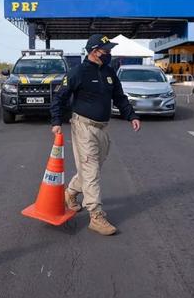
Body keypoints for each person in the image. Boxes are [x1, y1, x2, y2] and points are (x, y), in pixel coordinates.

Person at [50, 34, 141, 236]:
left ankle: (71, 193)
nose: (109, 53)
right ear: (94, 51)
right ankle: (96, 216)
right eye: (106, 50)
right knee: (91, 170)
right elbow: (59, 97)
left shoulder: (109, 72)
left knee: (92, 168)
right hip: (83, 126)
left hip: (102, 128)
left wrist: (131, 115)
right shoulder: (78, 72)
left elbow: (119, 96)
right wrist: (56, 121)